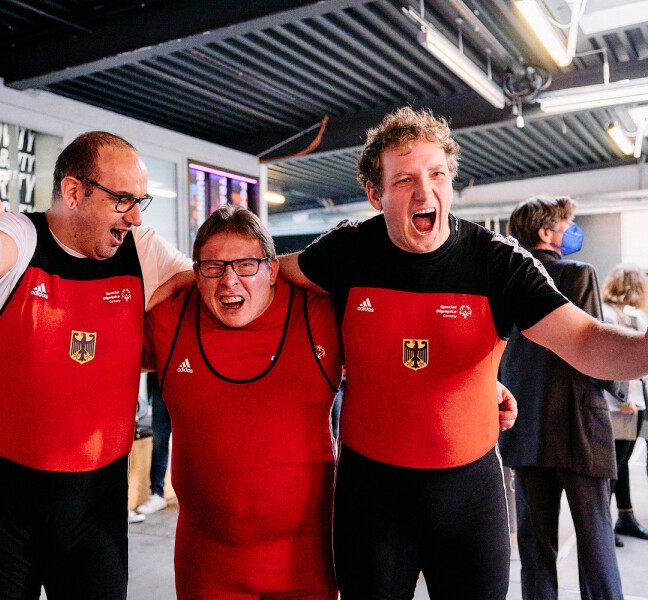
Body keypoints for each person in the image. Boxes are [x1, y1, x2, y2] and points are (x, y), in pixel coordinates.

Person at [277, 106, 648, 599]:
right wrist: (189, 275)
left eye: (436, 174)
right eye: (404, 179)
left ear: (451, 181)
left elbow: (584, 340)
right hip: (372, 502)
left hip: (469, 501)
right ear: (375, 193)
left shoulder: (498, 262)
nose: (424, 191)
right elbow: (268, 274)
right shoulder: (349, 251)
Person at [0, 132, 191, 599]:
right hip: (1, 495)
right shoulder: (22, 238)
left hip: (96, 498)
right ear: (73, 191)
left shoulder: (141, 249)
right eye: (123, 199)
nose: (134, 215)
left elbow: (212, 283)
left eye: (139, 200)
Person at [144, 206, 343, 599]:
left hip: (308, 562)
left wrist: (483, 384)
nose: (229, 281)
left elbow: (398, 351)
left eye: (246, 264)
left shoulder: (318, 313)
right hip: (208, 566)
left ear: (272, 270)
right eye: (213, 267)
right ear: (196, 273)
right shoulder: (170, 319)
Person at [499, 197, 630, 599]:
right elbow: (592, 348)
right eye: (567, 224)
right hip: (578, 430)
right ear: (546, 233)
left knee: (536, 549)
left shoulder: (504, 283)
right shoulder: (577, 273)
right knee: (596, 545)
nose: (571, 230)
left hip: (525, 429)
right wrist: (623, 389)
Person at [601, 263, 648, 543]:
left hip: (633, 402)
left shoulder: (635, 315)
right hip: (616, 403)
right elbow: (609, 360)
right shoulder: (606, 314)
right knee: (612, 465)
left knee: (623, 461)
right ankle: (602, 524)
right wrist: (622, 399)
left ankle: (626, 515)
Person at [135, 371, 171, 517]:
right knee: (159, 440)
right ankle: (157, 493)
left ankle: (196, 494)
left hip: (187, 380)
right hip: (160, 383)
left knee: (192, 441)